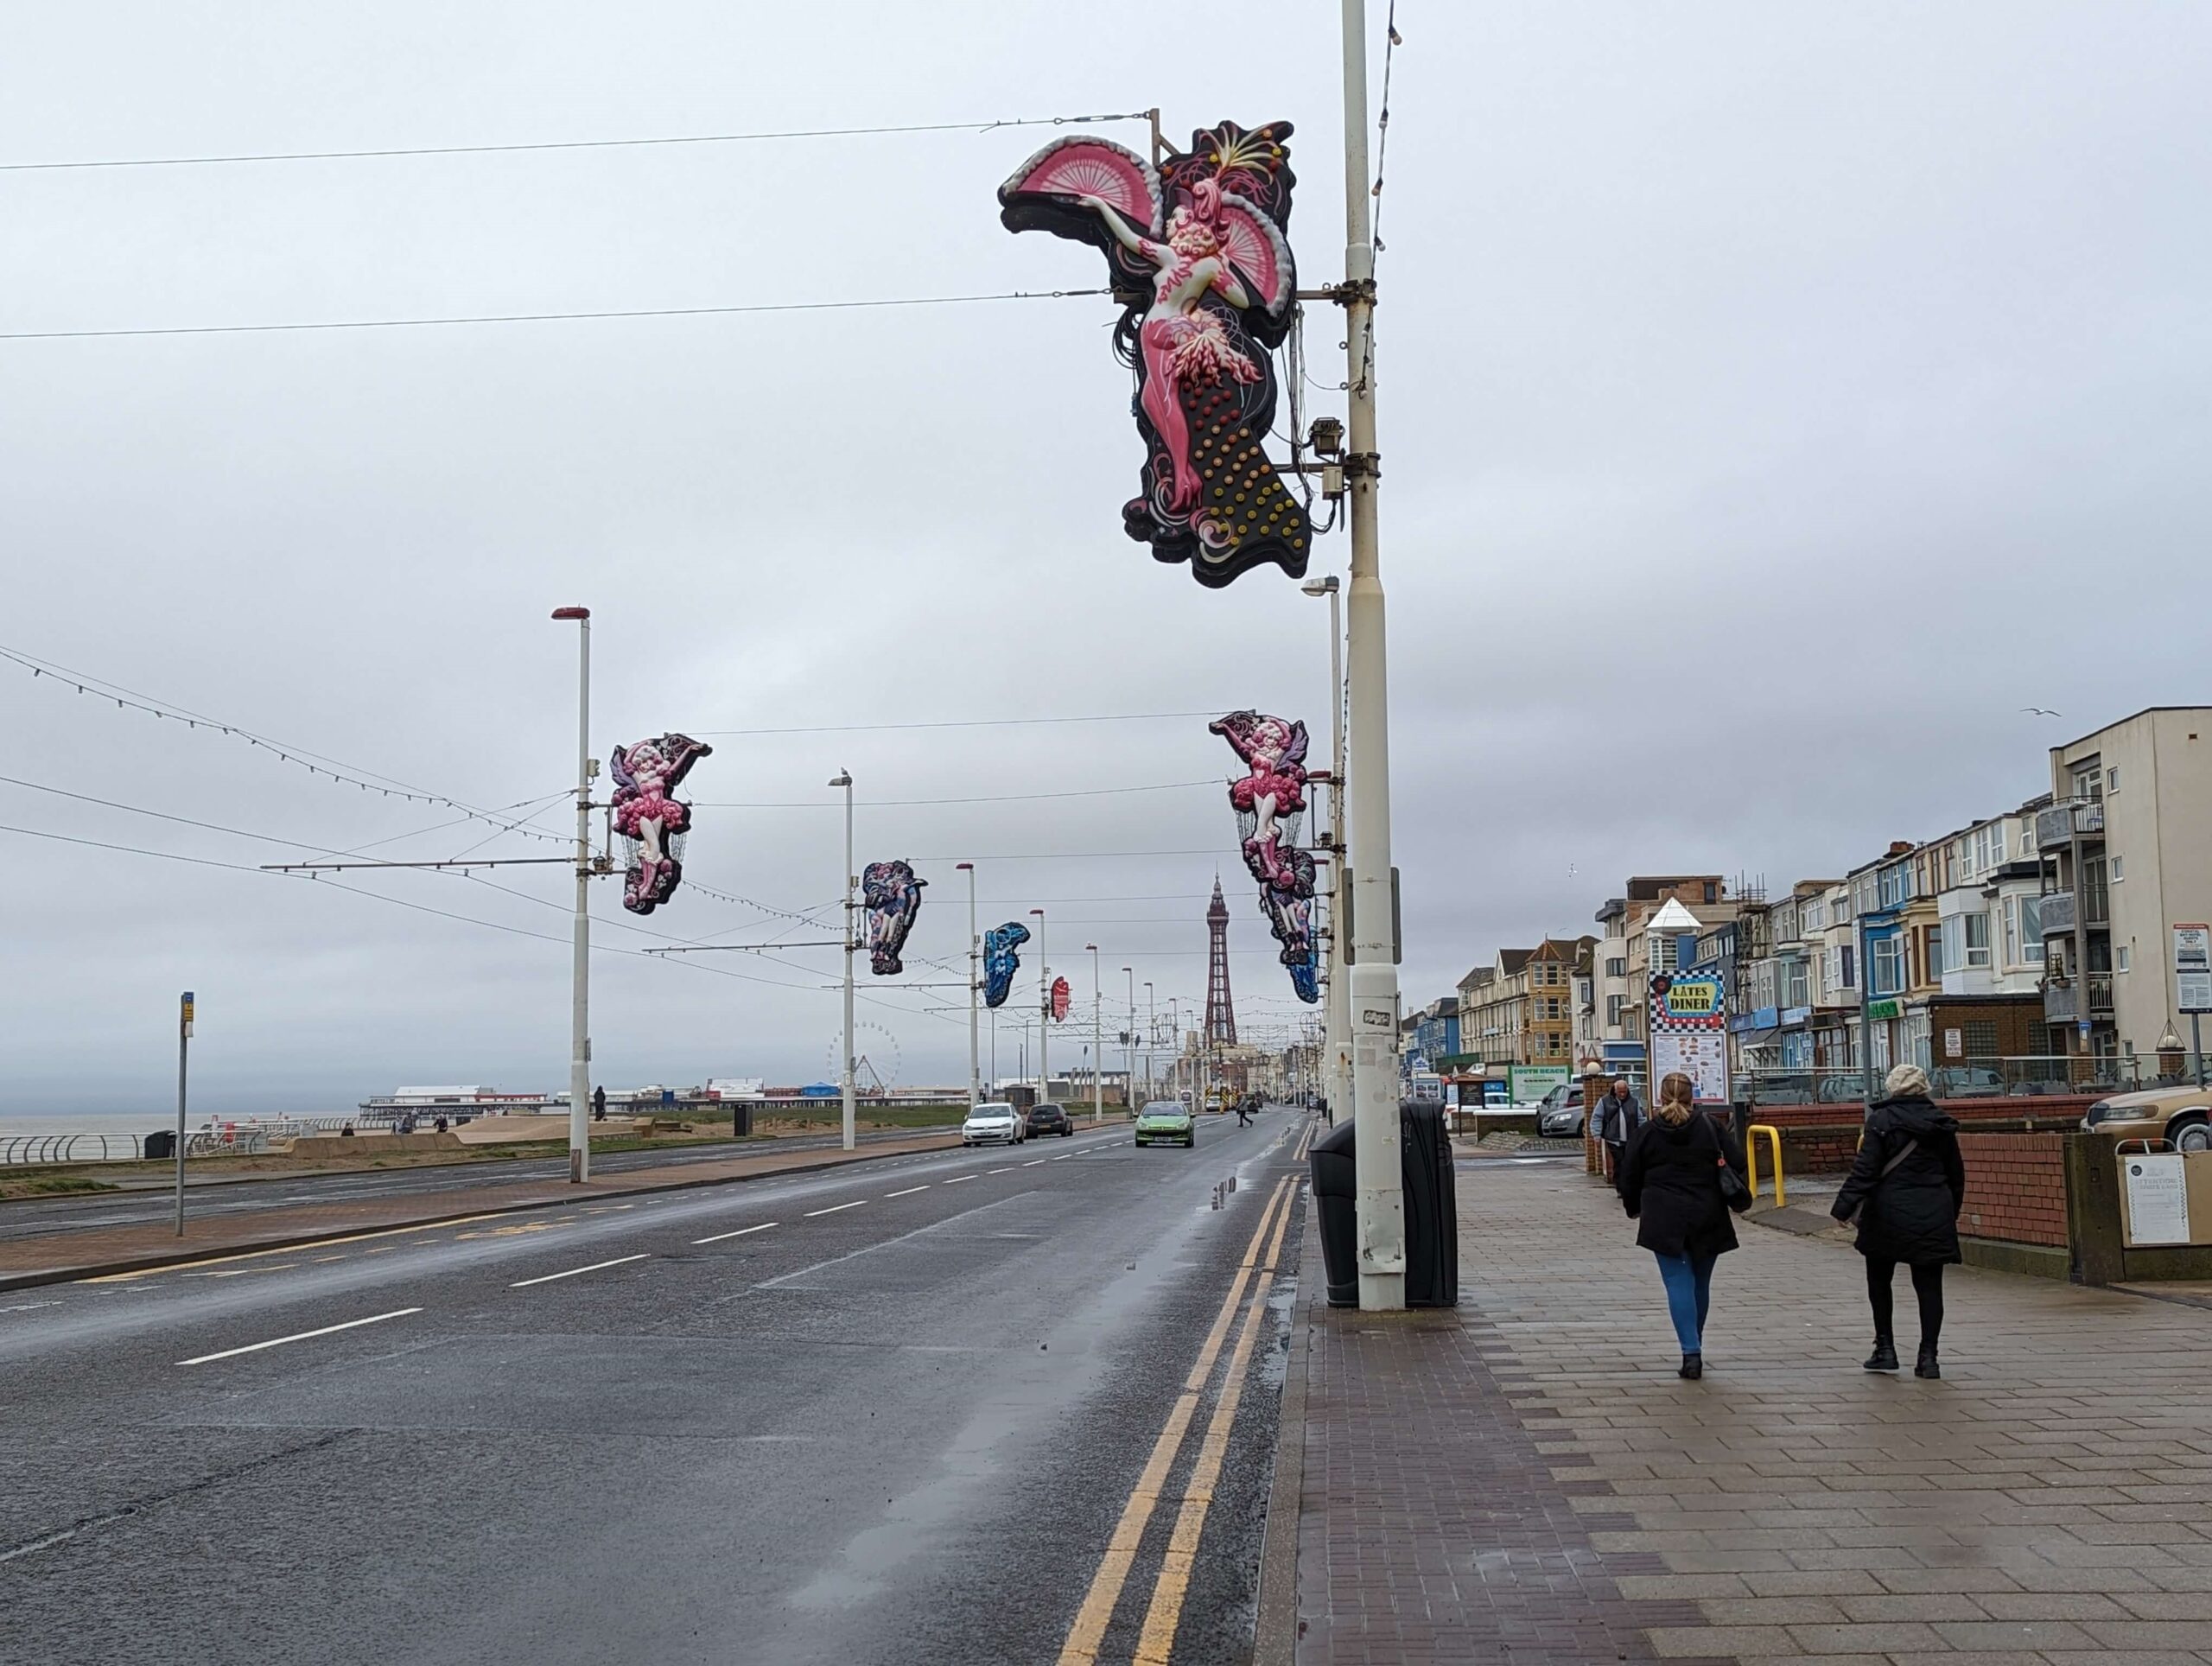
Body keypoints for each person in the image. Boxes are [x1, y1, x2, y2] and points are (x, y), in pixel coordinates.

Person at [1831, 1062, 1965, 1378]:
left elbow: (1866, 1170)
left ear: (1892, 1088)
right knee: (1930, 1287)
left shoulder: (1881, 1121)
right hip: (1933, 1209)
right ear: (1923, 1088)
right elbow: (1956, 1175)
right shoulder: (1941, 1123)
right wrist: (1949, 1212)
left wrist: (1843, 1208)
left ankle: (1885, 1349)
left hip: (1887, 1213)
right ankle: (1928, 1357)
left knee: (1879, 1280)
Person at [1617, 1072, 1745, 1379]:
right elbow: (1738, 1161)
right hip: (1708, 1213)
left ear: (1660, 1098)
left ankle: (1691, 1353)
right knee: (1700, 1284)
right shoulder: (1710, 1127)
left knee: (1678, 1283)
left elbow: (1629, 1176)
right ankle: (1694, 1345)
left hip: (1663, 1217)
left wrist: (1633, 1208)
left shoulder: (1647, 1132)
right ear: (1693, 1096)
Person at [1594, 1075, 1644, 1176]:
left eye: (1624, 1092)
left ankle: (1626, 1183)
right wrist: (1596, 1135)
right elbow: (1597, 1118)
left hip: (1631, 1138)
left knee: (1629, 1162)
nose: (1622, 1094)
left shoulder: (1634, 1102)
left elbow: (1641, 1119)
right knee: (1619, 1162)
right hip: (1613, 1139)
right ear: (1615, 1090)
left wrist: (1642, 1134)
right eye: (1620, 1092)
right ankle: (1620, 1184)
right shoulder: (1604, 1101)